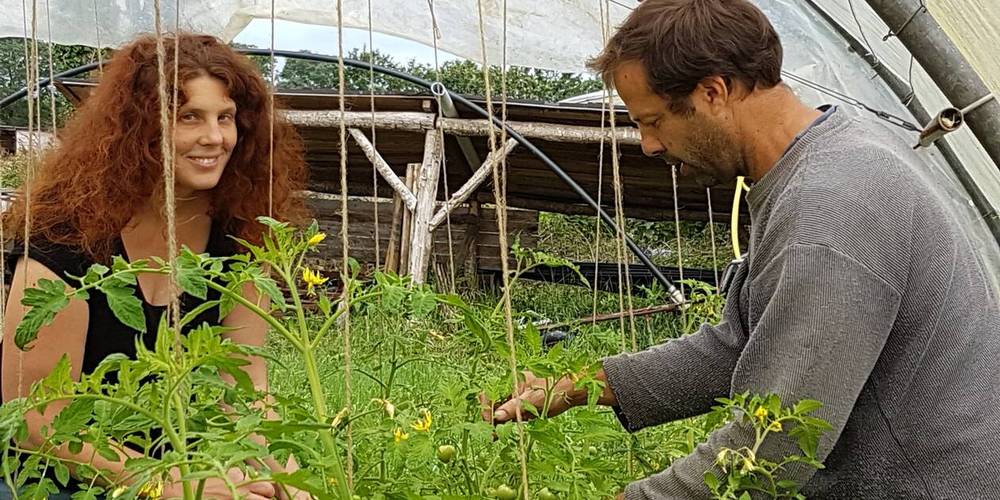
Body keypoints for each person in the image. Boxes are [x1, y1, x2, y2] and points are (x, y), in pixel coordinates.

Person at [487, 1, 1000, 498]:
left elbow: (776, 441)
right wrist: (581, 385)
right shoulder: (827, 152)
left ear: (713, 91)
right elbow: (744, 341)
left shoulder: (830, 203)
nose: (648, 145)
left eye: (653, 120)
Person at [1, 34, 308, 498]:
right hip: (58, 475)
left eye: (225, 118)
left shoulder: (243, 235)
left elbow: (242, 388)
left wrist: (284, 472)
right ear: (137, 129)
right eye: (189, 117)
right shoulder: (65, 237)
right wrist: (169, 484)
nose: (215, 137)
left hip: (182, 460)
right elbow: (35, 416)